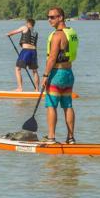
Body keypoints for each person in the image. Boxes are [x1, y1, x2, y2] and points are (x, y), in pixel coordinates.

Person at [40, 7, 78, 144]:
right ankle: (71, 137)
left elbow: (52, 58)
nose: (49, 20)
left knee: (51, 105)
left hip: (56, 73)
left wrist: (45, 75)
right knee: (67, 105)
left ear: (60, 17)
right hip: (69, 73)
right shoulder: (71, 32)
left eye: (52, 17)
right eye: (48, 17)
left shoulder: (57, 35)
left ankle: (51, 137)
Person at [6, 17, 40, 91]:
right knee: (34, 71)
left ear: (28, 23)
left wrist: (8, 34)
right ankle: (37, 89)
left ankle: (20, 88)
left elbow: (14, 32)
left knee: (17, 69)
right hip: (34, 52)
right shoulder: (36, 32)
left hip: (26, 51)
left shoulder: (25, 27)